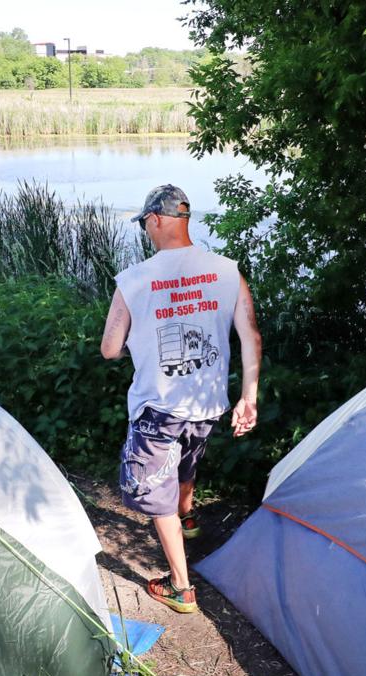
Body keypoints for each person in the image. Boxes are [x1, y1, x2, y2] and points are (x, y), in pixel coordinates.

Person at [100, 184, 262, 614]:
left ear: (156, 220)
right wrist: (249, 397)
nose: (146, 232)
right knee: (187, 461)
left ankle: (181, 587)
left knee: (156, 493)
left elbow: (110, 349)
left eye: (146, 225)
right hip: (208, 403)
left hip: (159, 408)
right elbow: (250, 336)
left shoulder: (135, 280)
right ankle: (189, 518)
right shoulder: (227, 270)